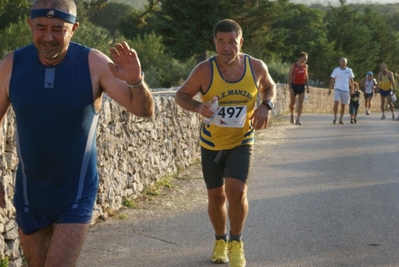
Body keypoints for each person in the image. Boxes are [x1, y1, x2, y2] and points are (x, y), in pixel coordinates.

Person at [0, 0, 154, 266]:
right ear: (30, 25)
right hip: (30, 192)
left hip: (76, 192)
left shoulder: (93, 63)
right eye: (41, 28)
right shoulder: (12, 65)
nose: (49, 37)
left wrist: (136, 82)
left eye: (58, 29)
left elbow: (143, 111)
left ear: (74, 29)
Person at [175, 19, 276, 267]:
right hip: (212, 143)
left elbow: (270, 86)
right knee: (217, 197)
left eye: (232, 42)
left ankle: (236, 242)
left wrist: (266, 105)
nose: (227, 48)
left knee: (237, 191)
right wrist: (198, 106)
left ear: (241, 42)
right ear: (215, 43)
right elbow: (180, 95)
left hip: (242, 140)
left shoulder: (256, 66)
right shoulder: (204, 70)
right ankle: (220, 240)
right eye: (221, 42)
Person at [328, 57, 355, 124]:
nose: (343, 63)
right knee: (336, 103)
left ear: (346, 63)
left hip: (345, 90)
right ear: (339, 62)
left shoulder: (349, 70)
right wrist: (330, 89)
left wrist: (352, 89)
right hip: (337, 88)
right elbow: (332, 80)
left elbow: (351, 80)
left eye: (344, 62)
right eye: (342, 62)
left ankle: (341, 119)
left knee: (343, 105)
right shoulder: (336, 70)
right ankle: (335, 118)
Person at [287, 52, 310, 125]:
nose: (306, 60)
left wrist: (307, 87)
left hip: (301, 86)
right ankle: (292, 115)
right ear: (300, 57)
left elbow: (306, 77)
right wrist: (290, 87)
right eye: (305, 58)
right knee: (292, 103)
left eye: (306, 58)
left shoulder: (305, 66)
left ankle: (298, 119)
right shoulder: (293, 65)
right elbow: (289, 76)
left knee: (300, 103)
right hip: (294, 85)